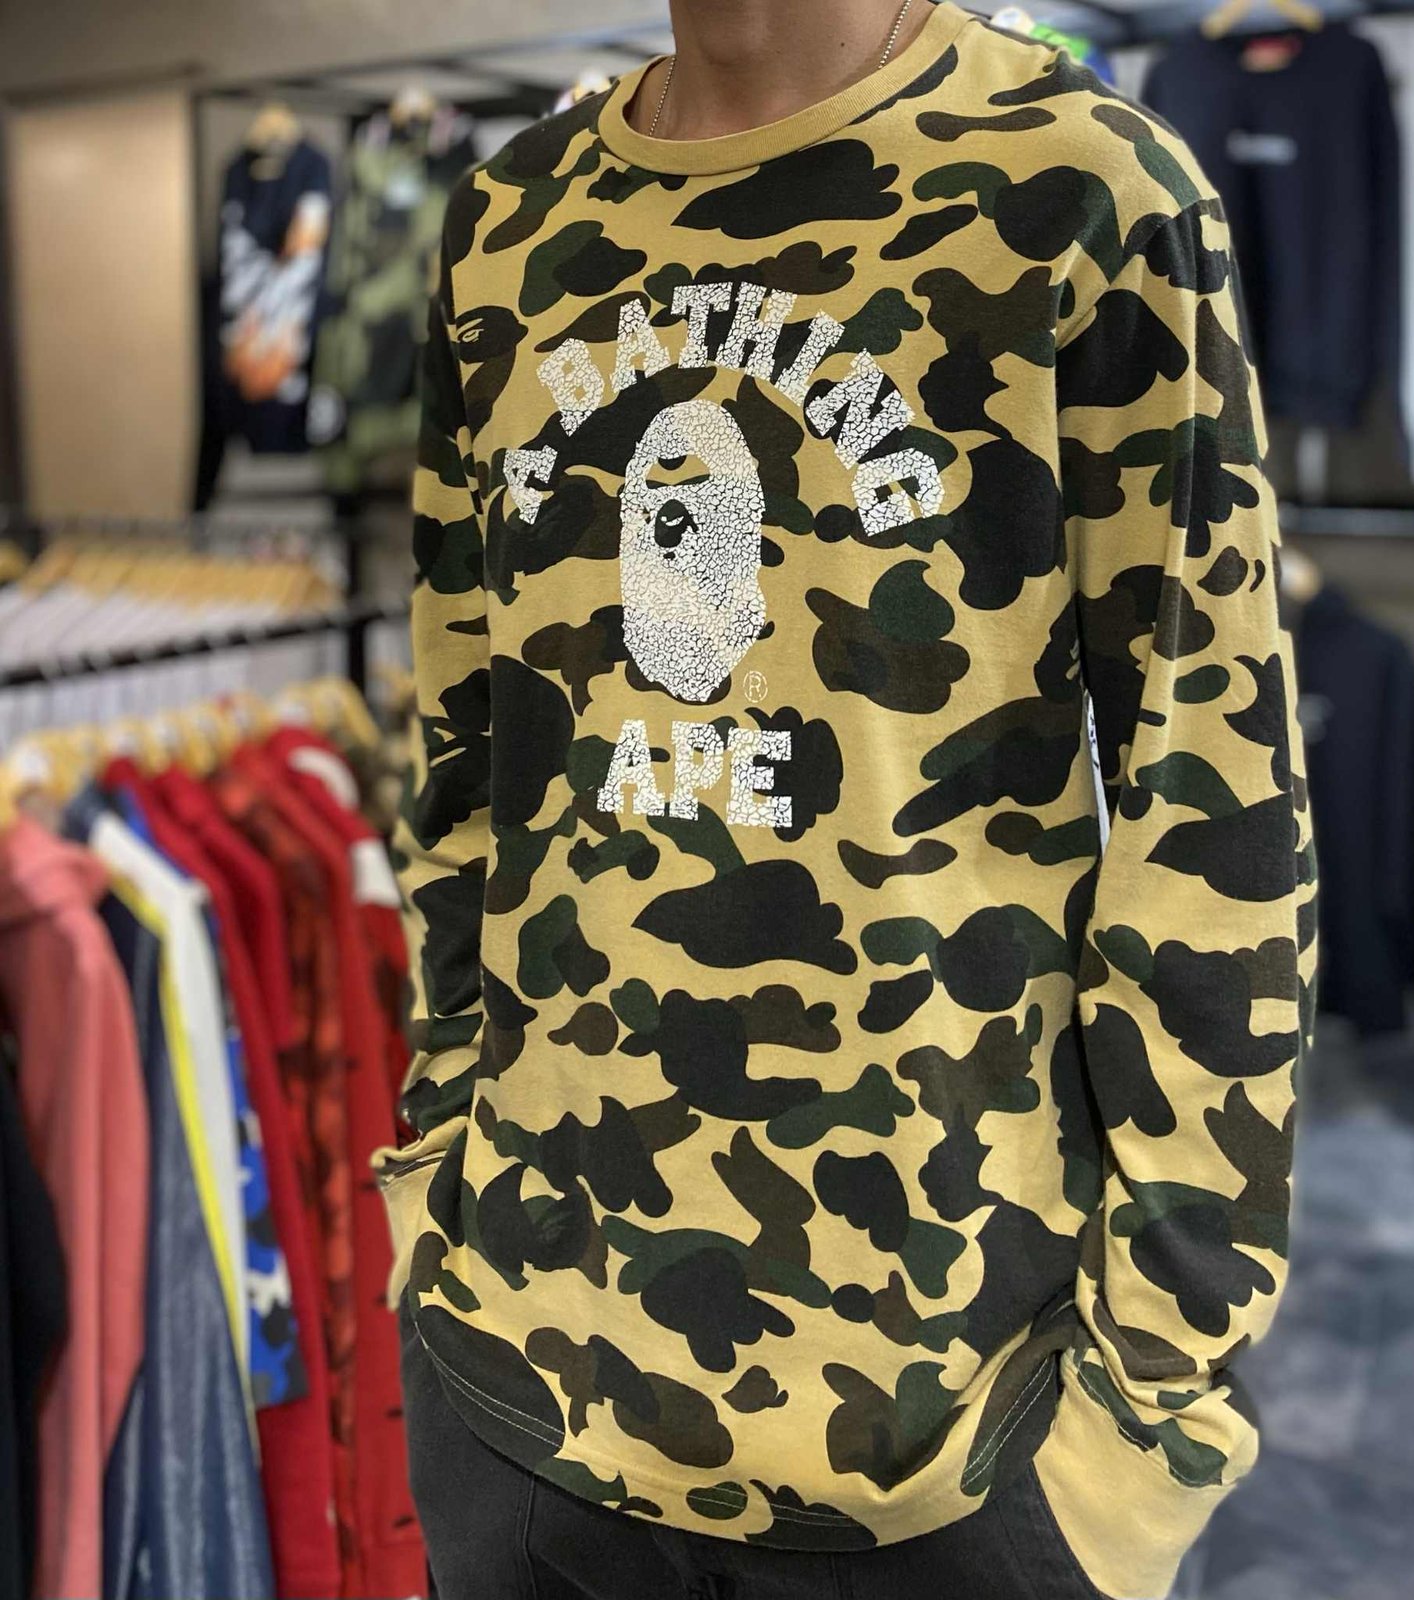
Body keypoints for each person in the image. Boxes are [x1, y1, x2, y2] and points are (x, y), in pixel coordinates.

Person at [378, 3, 1316, 1597]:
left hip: (954, 1429)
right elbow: (467, 769)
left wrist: (1151, 1407)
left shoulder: (1078, 189)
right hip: (517, 1388)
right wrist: (431, 1195)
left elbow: (1213, 806)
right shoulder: (509, 225)